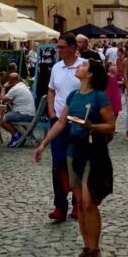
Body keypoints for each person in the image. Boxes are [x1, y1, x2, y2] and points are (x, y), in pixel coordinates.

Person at [35, 59, 114, 257]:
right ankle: (87, 248)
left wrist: (92, 126)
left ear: (90, 74)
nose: (79, 67)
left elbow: (111, 125)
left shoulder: (99, 97)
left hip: (93, 152)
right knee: (80, 202)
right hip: (74, 151)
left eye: (83, 66)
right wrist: (44, 143)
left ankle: (95, 251)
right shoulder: (73, 96)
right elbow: (61, 123)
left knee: (89, 202)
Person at [46, 33, 81, 222]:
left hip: (78, 122)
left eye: (61, 47)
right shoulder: (56, 67)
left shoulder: (84, 66)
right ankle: (60, 205)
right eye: (57, 47)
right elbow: (51, 90)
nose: (58, 50)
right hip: (58, 121)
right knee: (58, 163)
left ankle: (77, 203)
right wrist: (51, 111)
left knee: (76, 162)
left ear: (72, 48)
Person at [1, 72, 36, 144]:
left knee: (0, 119)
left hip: (24, 114)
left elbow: (3, 99)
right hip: (30, 114)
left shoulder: (15, 89)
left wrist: (3, 87)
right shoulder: (23, 85)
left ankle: (15, 134)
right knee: (8, 116)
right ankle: (18, 134)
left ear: (10, 80)